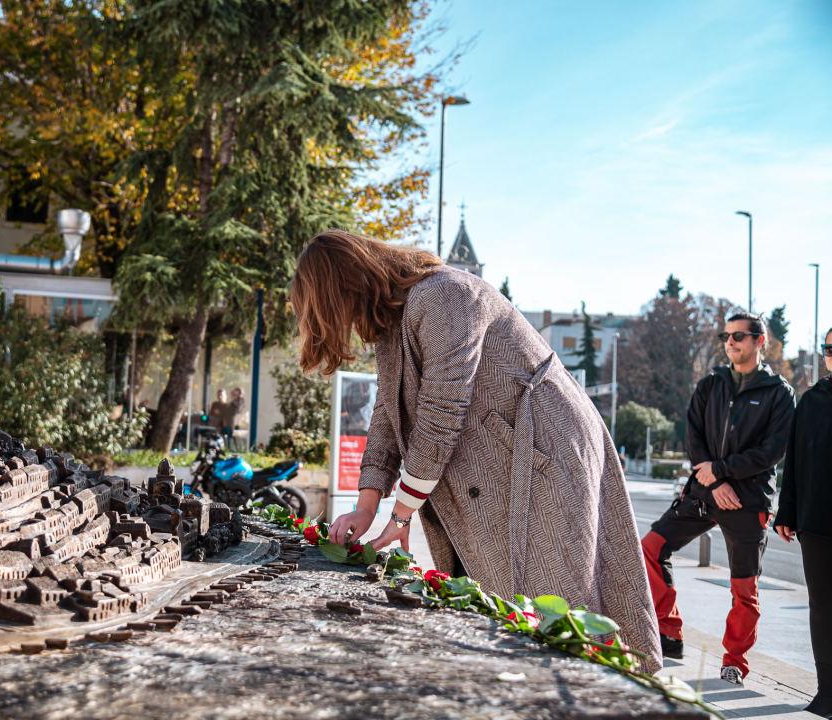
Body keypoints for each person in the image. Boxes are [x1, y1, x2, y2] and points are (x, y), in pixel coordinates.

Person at [294, 229, 661, 672]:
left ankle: (606, 697)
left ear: (348, 285)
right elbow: (387, 417)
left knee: (557, 604)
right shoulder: (394, 325)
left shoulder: (445, 295)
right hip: (503, 465)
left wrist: (401, 515)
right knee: (513, 608)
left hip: (543, 455)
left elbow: (440, 414)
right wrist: (366, 506)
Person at [641, 312, 794, 688]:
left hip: (748, 500)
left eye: (739, 335)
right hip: (704, 492)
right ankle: (669, 631)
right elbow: (693, 436)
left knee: (744, 588)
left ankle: (734, 663)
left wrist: (723, 472)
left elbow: (773, 450)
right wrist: (712, 482)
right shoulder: (712, 383)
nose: (730, 342)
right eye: (726, 336)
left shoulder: (779, 392)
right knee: (650, 547)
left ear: (760, 341)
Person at [774, 327, 832, 718]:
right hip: (817, 524)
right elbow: (793, 461)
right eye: (829, 348)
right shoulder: (812, 401)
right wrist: (787, 512)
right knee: (823, 608)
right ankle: (826, 692)